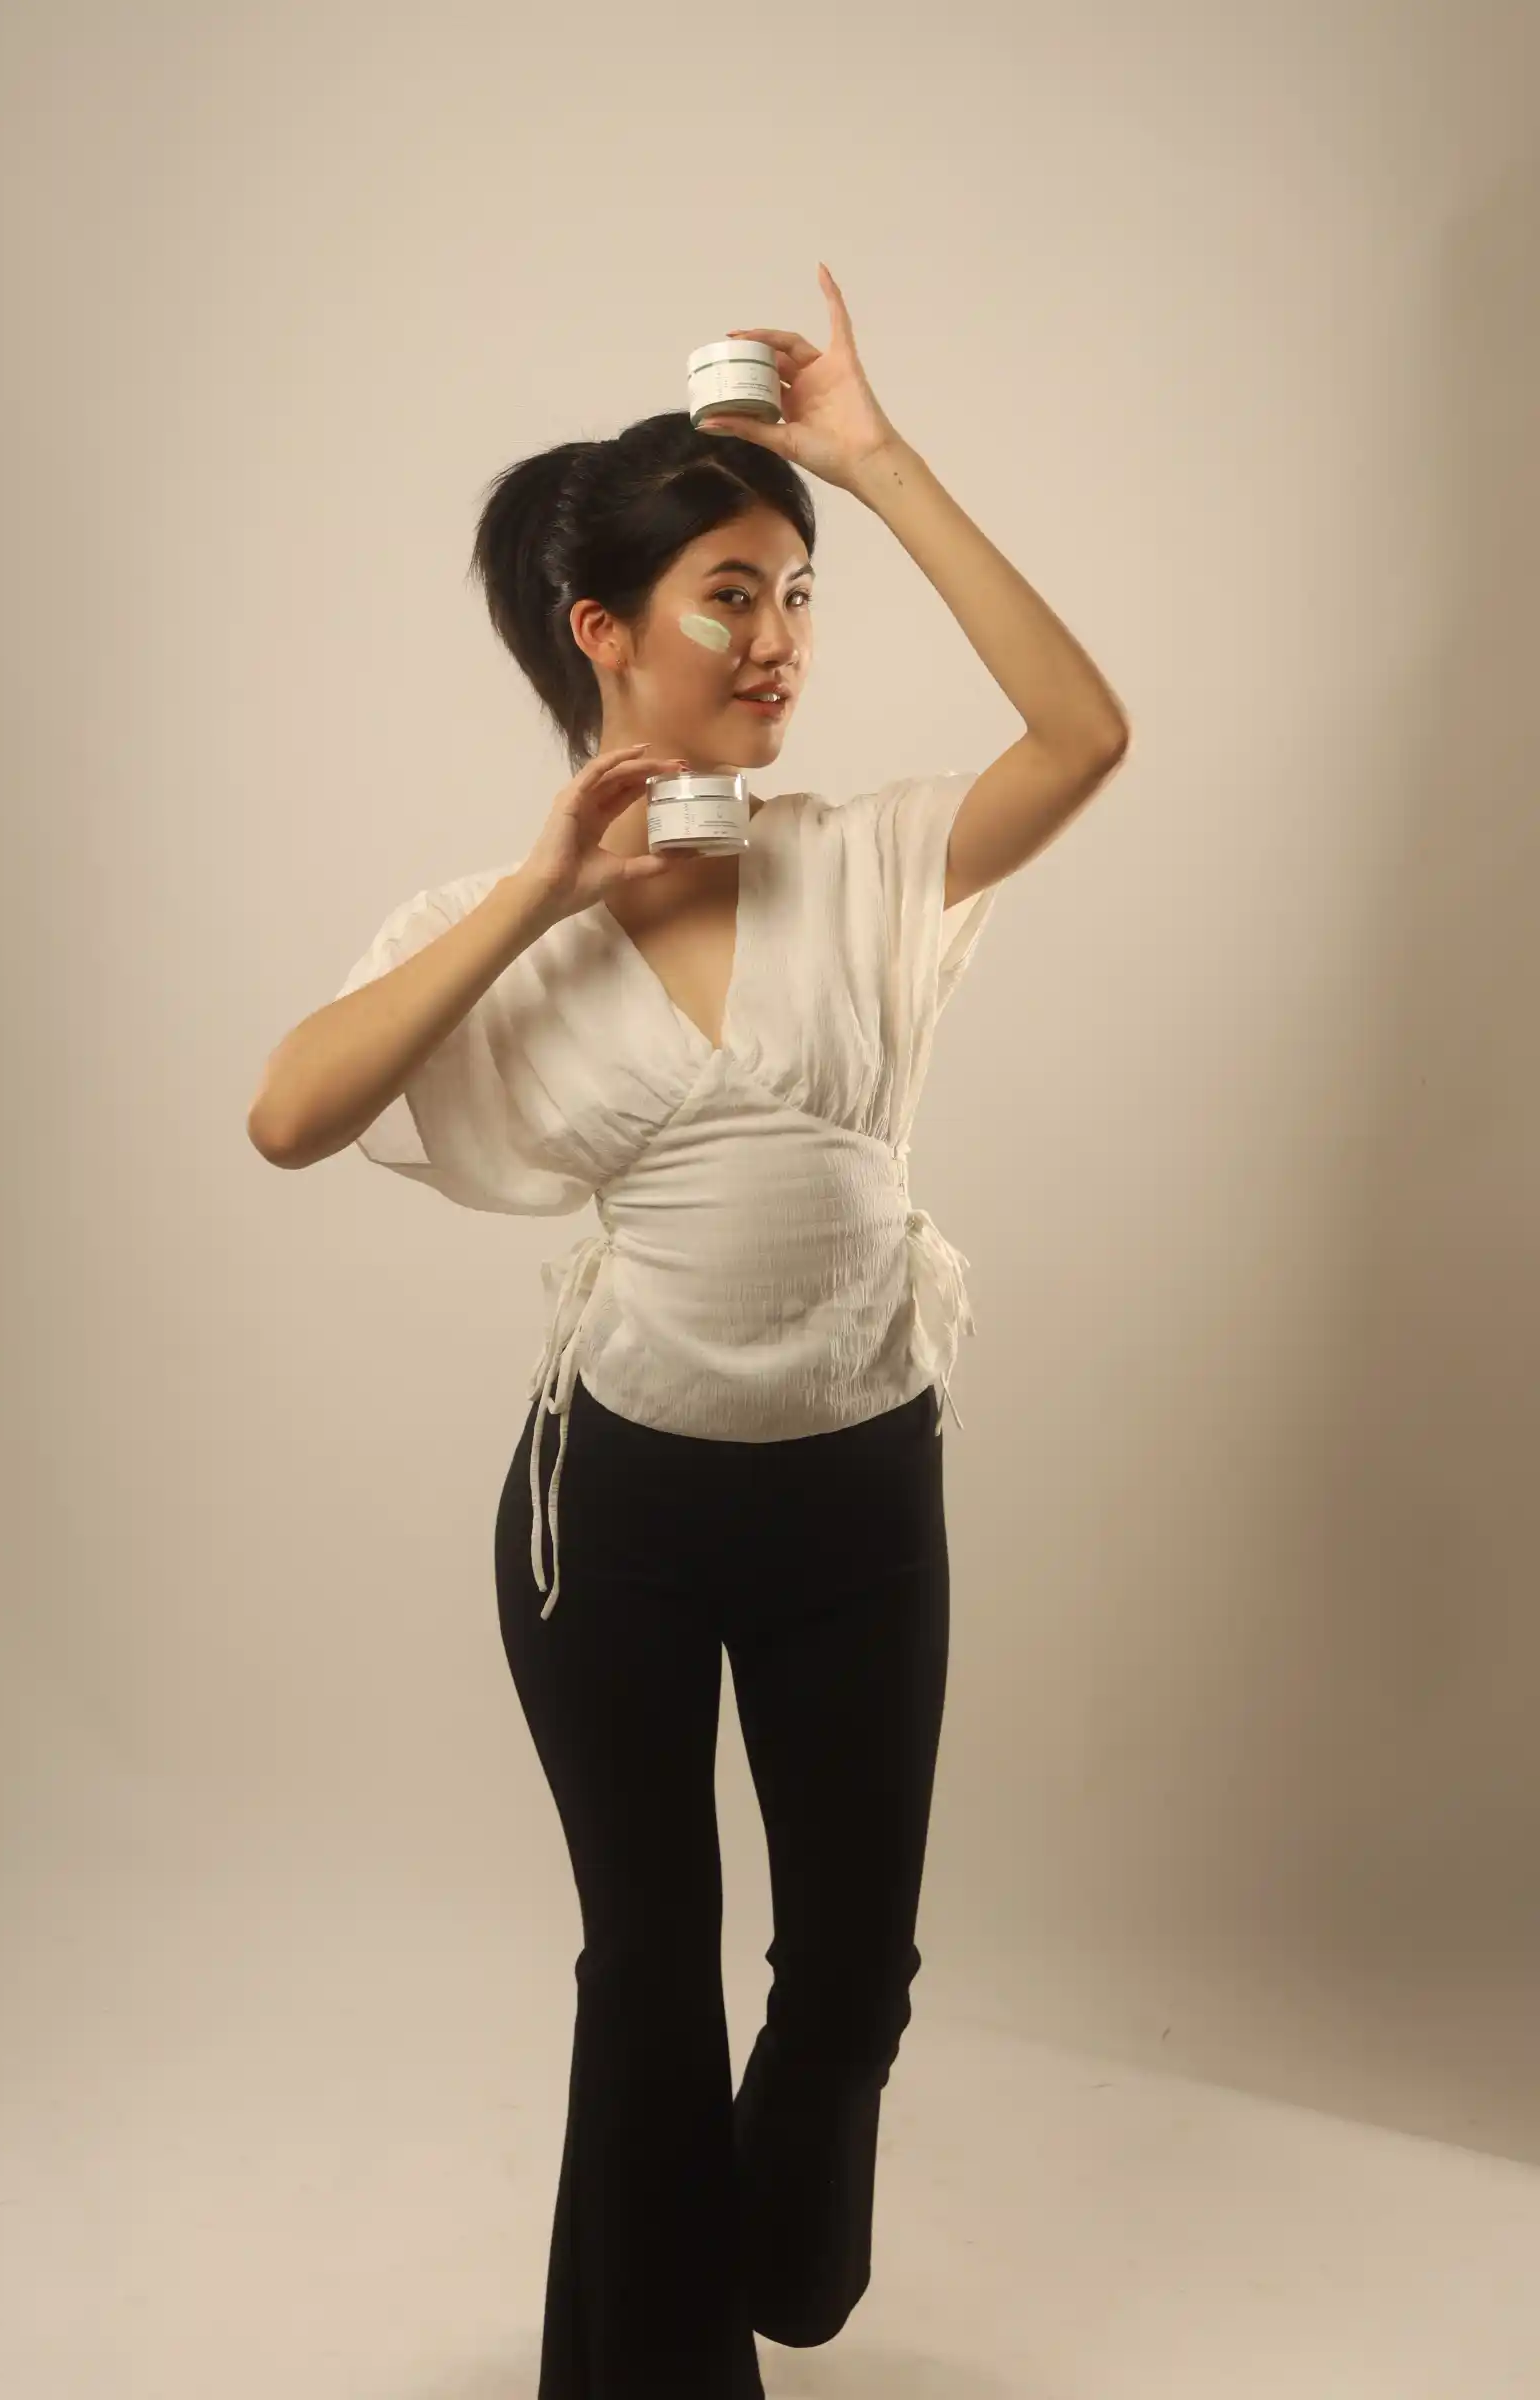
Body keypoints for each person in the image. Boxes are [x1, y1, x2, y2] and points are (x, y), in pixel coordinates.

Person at [248, 275, 1129, 2400]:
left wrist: (870, 463)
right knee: (645, 1970)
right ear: (606, 633)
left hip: (857, 1498)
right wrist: (541, 891)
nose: (780, 640)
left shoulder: (867, 864)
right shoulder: (503, 929)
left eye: (799, 597)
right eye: (731, 594)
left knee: (848, 1975)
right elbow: (286, 1114)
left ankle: (749, 2255)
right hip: (613, 1517)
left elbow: (1084, 738)